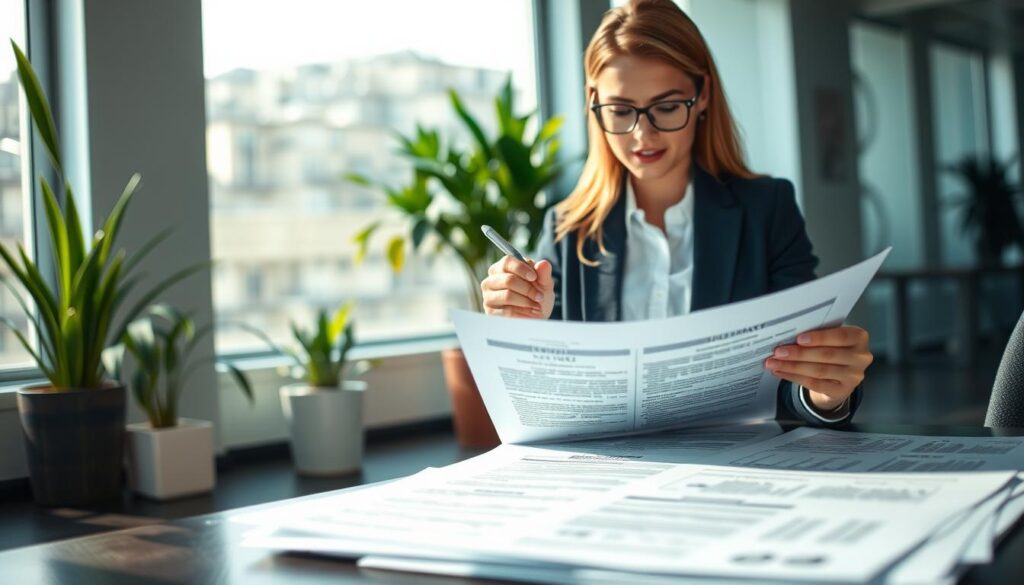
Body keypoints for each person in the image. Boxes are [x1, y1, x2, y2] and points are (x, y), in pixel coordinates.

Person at [479, 0, 871, 426]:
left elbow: (796, 381)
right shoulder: (564, 230)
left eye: (666, 107)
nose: (642, 134)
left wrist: (824, 392)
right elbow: (546, 395)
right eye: (621, 111)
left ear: (701, 95)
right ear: (594, 102)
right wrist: (518, 328)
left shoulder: (767, 210)